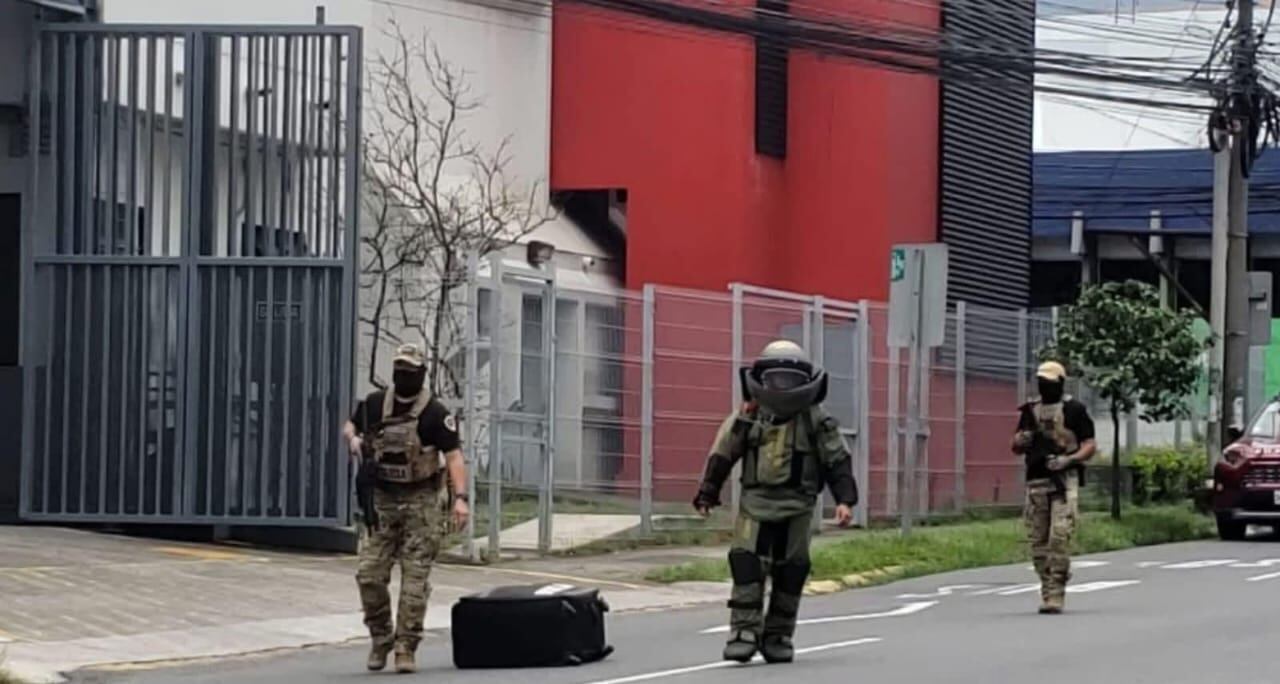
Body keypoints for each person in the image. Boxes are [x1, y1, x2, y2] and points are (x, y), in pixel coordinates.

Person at [693, 340, 859, 664]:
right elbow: (724, 451)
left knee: (792, 570)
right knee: (746, 563)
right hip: (755, 503)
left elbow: (837, 460)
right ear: (761, 381)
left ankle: (779, 635)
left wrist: (845, 501)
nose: (782, 388)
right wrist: (708, 492)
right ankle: (743, 632)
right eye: (776, 380)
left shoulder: (815, 420)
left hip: (798, 506)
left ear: (805, 383)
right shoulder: (749, 417)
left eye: (790, 381)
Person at [341, 343, 470, 673]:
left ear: (421, 374)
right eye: (399, 369)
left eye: (410, 370)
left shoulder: (435, 413)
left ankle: (405, 647)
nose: (404, 375)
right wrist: (353, 439)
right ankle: (381, 637)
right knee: (369, 575)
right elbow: (351, 425)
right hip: (382, 502)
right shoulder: (375, 404)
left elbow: (454, 456)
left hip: (421, 501)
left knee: (415, 580)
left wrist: (460, 498)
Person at [1011, 360, 1096, 615]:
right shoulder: (1031, 411)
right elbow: (1015, 446)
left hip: (1063, 482)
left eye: (1049, 382)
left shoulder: (1074, 410)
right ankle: (1047, 585)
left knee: (1059, 537)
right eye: (1041, 382)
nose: (1045, 387)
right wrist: (1022, 440)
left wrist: (1069, 460)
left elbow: (1089, 444)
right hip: (1036, 481)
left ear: (1060, 383)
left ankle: (1056, 591)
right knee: (1038, 543)